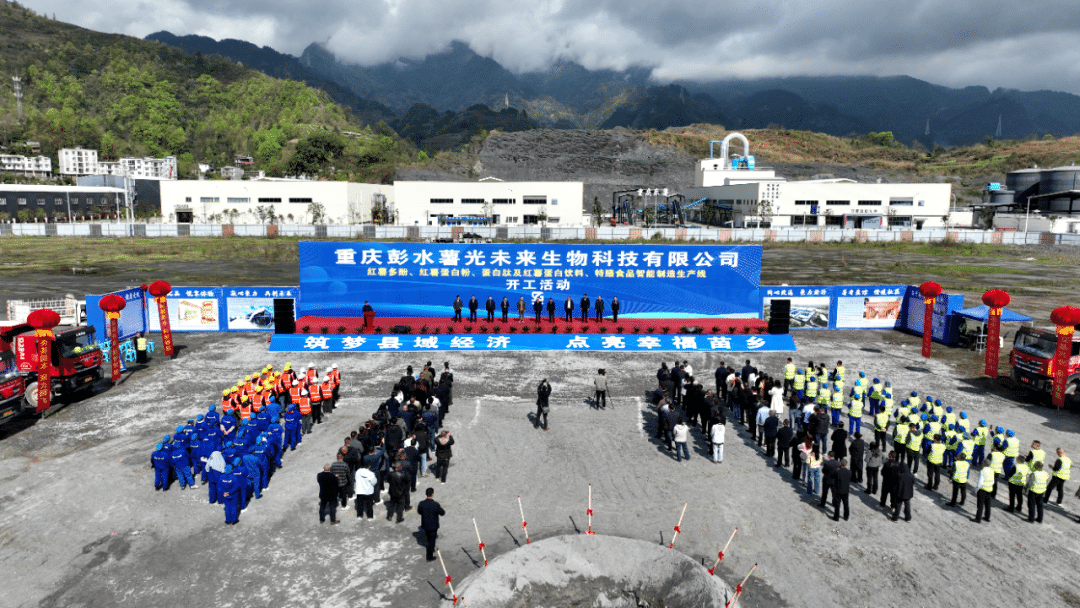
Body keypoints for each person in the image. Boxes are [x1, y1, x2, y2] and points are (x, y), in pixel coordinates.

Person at [417, 487, 446, 561]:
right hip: (433, 526)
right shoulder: (435, 504)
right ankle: (429, 556)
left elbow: (419, 512)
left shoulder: (421, 503)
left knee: (428, 538)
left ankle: (431, 548)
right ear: (432, 494)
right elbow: (442, 513)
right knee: (432, 541)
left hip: (425, 525)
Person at [973, 458, 995, 523]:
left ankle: (978, 519)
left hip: (982, 489)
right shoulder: (991, 470)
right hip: (989, 489)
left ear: (984, 464)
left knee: (980, 505)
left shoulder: (982, 471)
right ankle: (987, 517)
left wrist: (976, 489)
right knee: (988, 504)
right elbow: (993, 481)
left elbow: (980, 482)